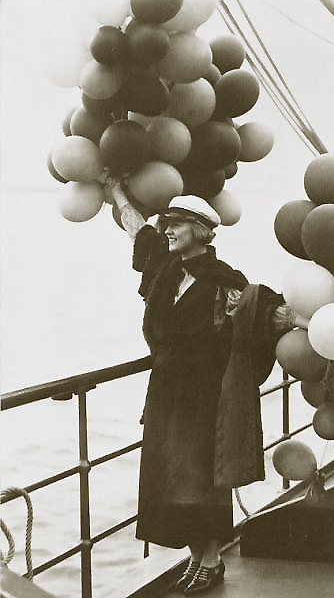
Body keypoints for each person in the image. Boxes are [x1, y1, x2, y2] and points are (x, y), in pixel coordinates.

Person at [106, 178, 294, 594]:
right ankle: (196, 556)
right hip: (166, 392)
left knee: (197, 479)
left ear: (199, 230)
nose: (167, 229)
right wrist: (115, 189)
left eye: (175, 223)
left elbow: (266, 315)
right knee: (167, 478)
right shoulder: (165, 269)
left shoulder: (225, 281)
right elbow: (140, 231)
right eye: (167, 222)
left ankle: (211, 560)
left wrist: (308, 318)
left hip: (205, 395)